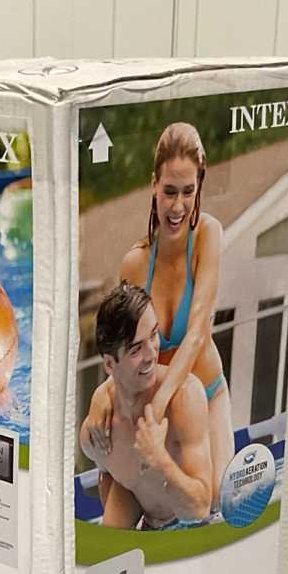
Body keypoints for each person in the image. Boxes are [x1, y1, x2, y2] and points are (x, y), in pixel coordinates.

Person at [86, 122, 234, 501]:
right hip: (155, 405)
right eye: (169, 191)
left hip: (202, 395)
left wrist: (158, 405)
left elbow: (197, 333)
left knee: (218, 498)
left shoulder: (208, 235)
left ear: (199, 186)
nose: (178, 206)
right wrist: (103, 395)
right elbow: (124, 349)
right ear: (154, 185)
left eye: (188, 191)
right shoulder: (135, 265)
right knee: (117, 487)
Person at [78, 283, 212, 530]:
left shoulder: (185, 398)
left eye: (153, 334)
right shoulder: (96, 435)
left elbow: (201, 508)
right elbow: (107, 476)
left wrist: (161, 461)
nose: (151, 354)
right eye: (136, 349)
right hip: (148, 528)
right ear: (109, 364)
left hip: (194, 528)